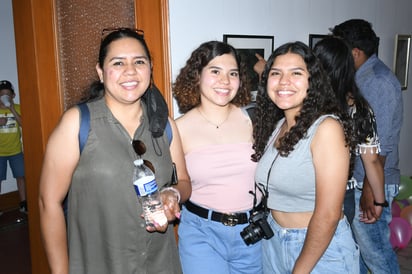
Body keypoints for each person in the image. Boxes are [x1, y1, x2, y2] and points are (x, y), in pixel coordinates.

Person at [38, 28, 191, 274]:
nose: (130, 71)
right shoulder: (77, 122)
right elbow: (49, 202)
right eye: (118, 63)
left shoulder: (165, 124)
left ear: (150, 67)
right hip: (100, 263)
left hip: (160, 263)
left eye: (139, 62)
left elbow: (184, 182)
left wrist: (172, 193)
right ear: (101, 71)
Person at [253, 41, 359, 273]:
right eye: (276, 73)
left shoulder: (326, 128)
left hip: (317, 248)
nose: (284, 82)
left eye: (296, 73)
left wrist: (300, 269)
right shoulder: (280, 124)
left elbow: (329, 214)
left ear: (313, 80)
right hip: (273, 242)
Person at [173, 41, 262, 273]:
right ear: (197, 76)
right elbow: (173, 182)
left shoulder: (254, 119)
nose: (225, 81)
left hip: (252, 234)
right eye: (215, 71)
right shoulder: (177, 128)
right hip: (201, 233)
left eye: (232, 73)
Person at [332, 19, 403, 274]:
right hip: (364, 181)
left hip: (372, 182)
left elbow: (380, 144)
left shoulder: (377, 81)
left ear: (354, 53)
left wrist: (372, 191)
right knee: (360, 255)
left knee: (378, 257)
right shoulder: (363, 79)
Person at [313, 36, 385, 225]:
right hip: (342, 193)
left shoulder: (305, 105)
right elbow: (372, 160)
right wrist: (379, 200)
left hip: (306, 192)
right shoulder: (359, 108)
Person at [0, 80, 27, 213]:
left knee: (21, 176)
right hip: (0, 153)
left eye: (7, 95)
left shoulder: (17, 107)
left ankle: (23, 203)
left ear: (13, 96)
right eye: (1, 95)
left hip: (16, 151)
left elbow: (24, 124)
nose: (4, 97)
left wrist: (12, 109)